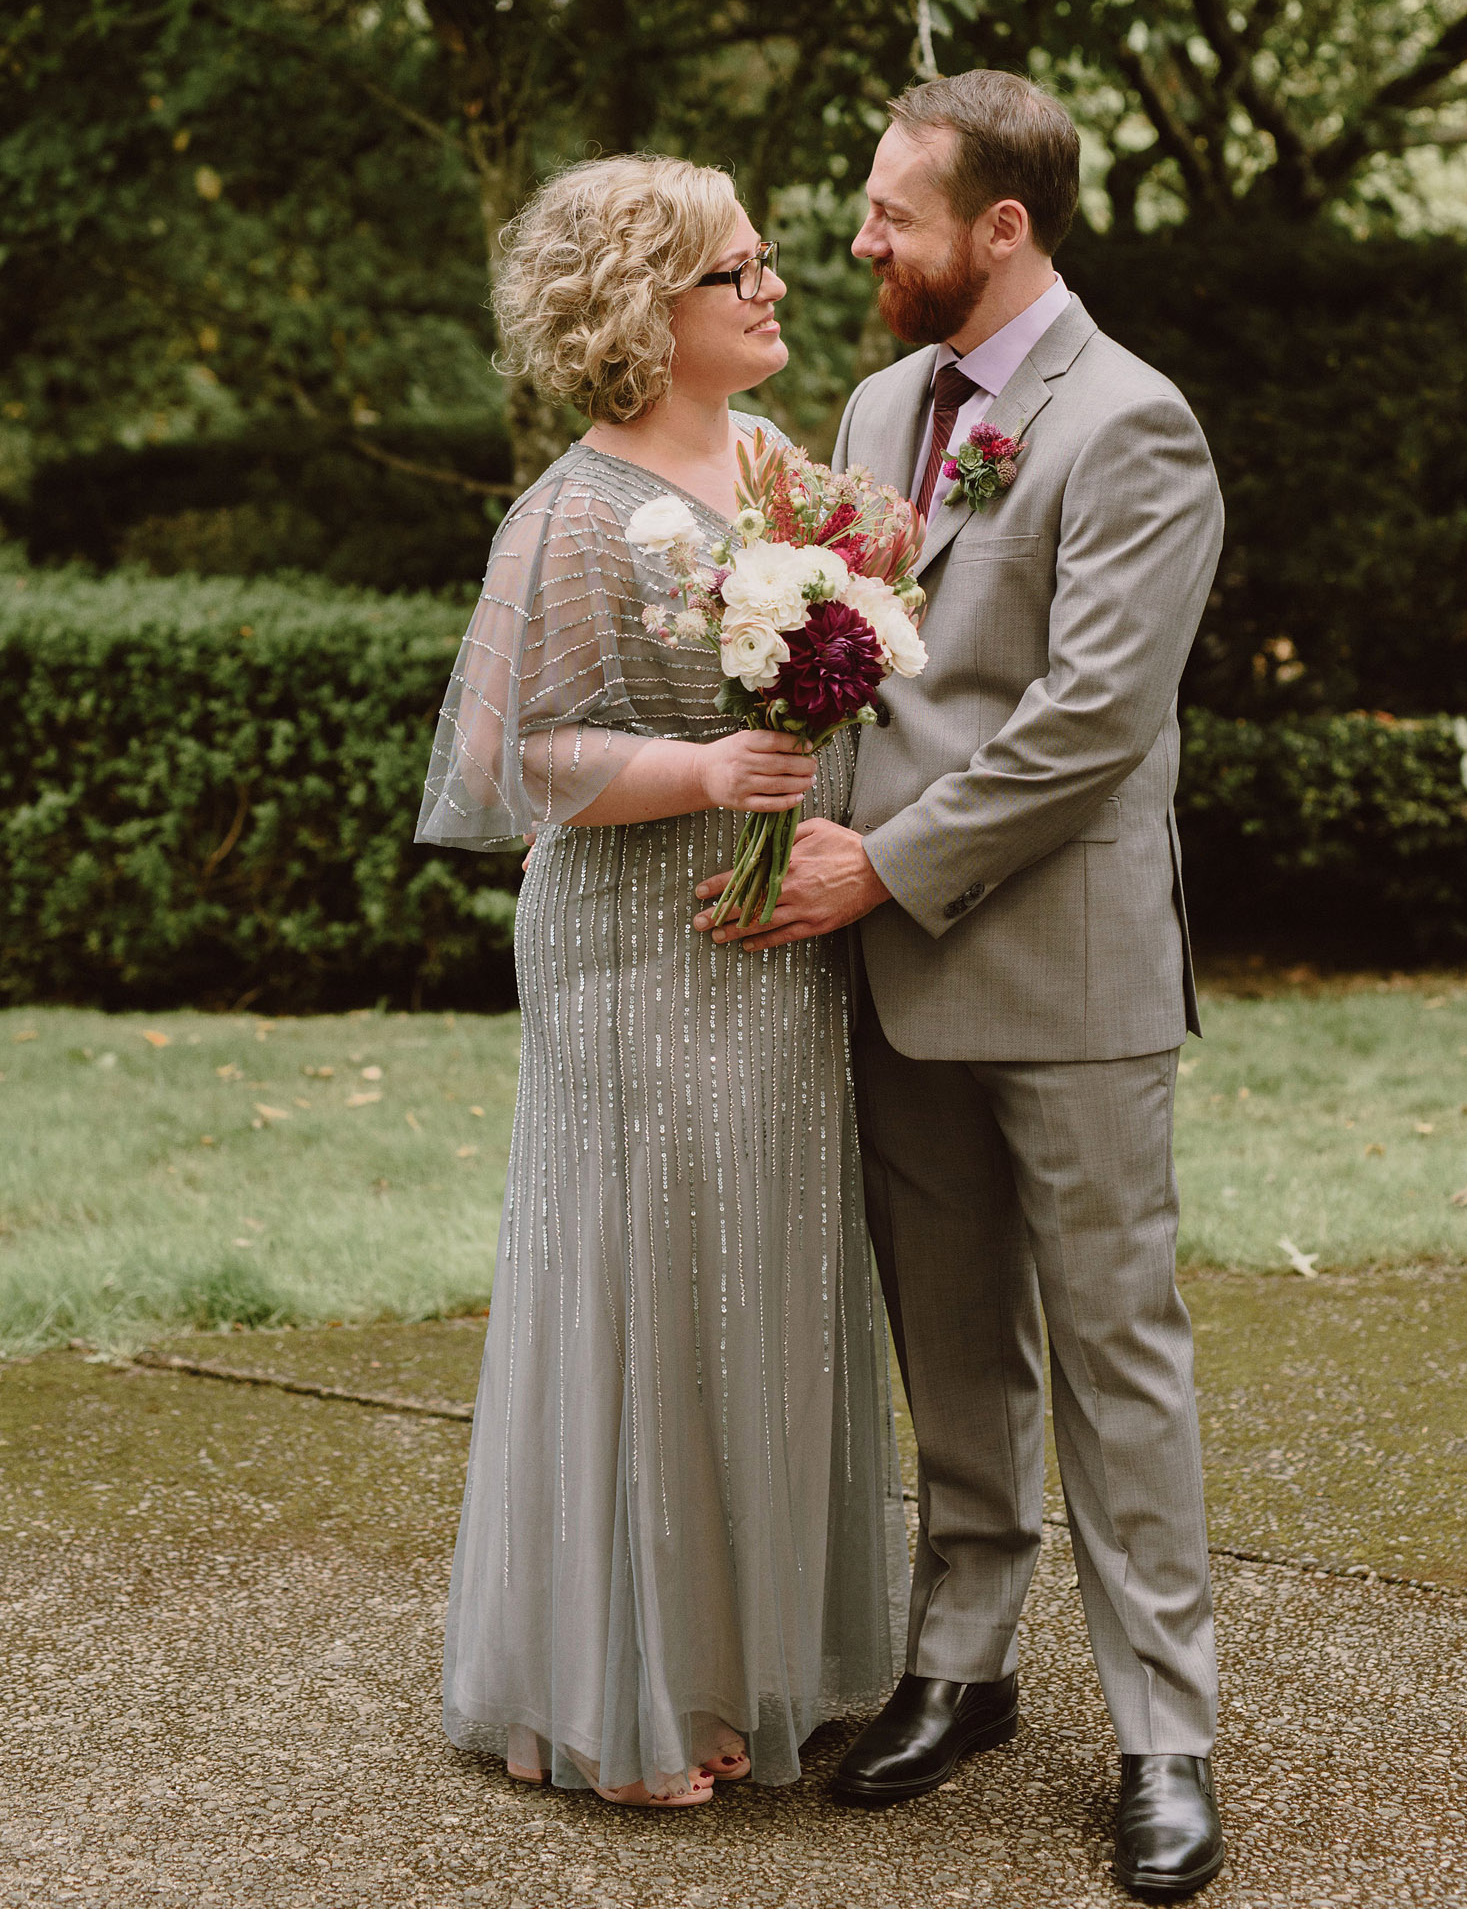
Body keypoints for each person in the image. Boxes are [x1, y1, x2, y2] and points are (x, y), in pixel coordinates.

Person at [694, 71, 1227, 1897]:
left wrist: (882, 864)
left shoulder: (1136, 425)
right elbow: (856, 662)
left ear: (1002, 229)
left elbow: (1090, 725)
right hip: (889, 969)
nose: (858, 245)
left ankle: (1168, 1731)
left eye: (889, 217)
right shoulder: (878, 401)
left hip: (1060, 969)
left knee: (1115, 1351)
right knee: (951, 1344)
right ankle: (965, 1664)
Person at [417, 154, 905, 1808]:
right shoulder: (567, 514)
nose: (774, 287)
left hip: (775, 953)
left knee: (760, 1277)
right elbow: (500, 765)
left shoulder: (781, 468)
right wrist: (702, 774)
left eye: (768, 261)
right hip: (633, 944)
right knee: (647, 1280)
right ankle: (620, 1695)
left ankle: (741, 1655)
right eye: (736, 272)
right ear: (644, 309)